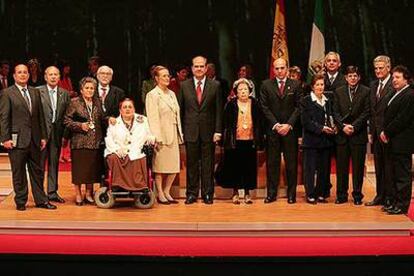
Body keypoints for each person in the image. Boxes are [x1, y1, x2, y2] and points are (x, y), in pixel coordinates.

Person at [0, 64, 56, 211]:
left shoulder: (35, 92)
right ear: (14, 76)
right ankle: (20, 201)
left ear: (29, 75)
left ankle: (41, 200)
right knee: (18, 173)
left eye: (25, 72)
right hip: (16, 140)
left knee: (37, 172)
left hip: (35, 139)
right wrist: (5, 138)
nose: (23, 74)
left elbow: (40, 116)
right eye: (20, 72)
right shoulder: (7, 93)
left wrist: (43, 136)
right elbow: (4, 117)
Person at [178, 56, 223, 204]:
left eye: (201, 66)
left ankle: (207, 193)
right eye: (196, 66)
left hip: (208, 132)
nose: (198, 69)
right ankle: (191, 194)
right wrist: (181, 132)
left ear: (206, 68)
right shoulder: (184, 86)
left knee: (208, 164)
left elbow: (218, 111)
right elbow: (181, 110)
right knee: (191, 165)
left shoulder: (215, 85)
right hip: (190, 131)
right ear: (192, 68)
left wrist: (218, 131)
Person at [260, 57, 302, 204]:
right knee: (272, 163)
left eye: (282, 68)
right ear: (273, 69)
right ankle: (271, 194)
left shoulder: (296, 85)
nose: (279, 71)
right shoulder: (266, 85)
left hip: (290, 131)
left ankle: (291, 195)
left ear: (287, 68)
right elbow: (264, 107)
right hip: (273, 131)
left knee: (291, 164)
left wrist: (288, 125)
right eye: (276, 68)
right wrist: (276, 125)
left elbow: (299, 107)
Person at [215, 78, 263, 204]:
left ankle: (247, 194)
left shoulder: (255, 103)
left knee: (249, 168)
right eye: (240, 89)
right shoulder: (231, 105)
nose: (243, 92)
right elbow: (225, 123)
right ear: (236, 92)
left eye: (245, 89)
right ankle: (235, 193)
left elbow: (259, 123)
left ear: (250, 91)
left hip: (250, 141)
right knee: (234, 167)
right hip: (234, 141)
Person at [64, 77, 105, 205]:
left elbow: (102, 119)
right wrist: (80, 126)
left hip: (95, 142)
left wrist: (111, 120)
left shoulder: (98, 102)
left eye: (92, 88)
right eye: (87, 88)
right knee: (79, 171)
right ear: (81, 90)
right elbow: (67, 121)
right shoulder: (74, 102)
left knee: (91, 171)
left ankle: (88, 193)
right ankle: (78, 194)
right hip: (79, 142)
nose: (89, 90)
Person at [146, 66, 184, 204]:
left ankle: (167, 191)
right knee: (160, 167)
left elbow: (177, 114)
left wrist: (180, 133)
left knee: (174, 166)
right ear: (156, 78)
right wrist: (156, 137)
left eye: (168, 75)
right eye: (164, 76)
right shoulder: (152, 95)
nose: (167, 78)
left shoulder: (172, 94)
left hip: (173, 132)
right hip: (161, 134)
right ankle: (160, 193)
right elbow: (152, 117)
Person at [333, 66, 370, 205]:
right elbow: (335, 111)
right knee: (341, 167)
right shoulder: (339, 91)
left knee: (358, 167)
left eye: (355, 75)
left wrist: (354, 126)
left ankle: (357, 195)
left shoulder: (366, 91)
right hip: (342, 135)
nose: (352, 78)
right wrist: (343, 126)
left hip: (358, 134)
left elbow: (366, 112)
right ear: (346, 78)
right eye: (350, 76)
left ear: (359, 77)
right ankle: (341, 195)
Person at [380, 65, 414, 215]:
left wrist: (386, 131)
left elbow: (403, 119)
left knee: (402, 175)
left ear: (406, 79)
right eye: (393, 77)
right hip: (393, 141)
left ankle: (402, 205)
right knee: (393, 173)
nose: (394, 80)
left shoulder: (410, 94)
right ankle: (395, 202)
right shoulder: (397, 93)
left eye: (397, 77)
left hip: (402, 141)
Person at [104, 98, 155, 192]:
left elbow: (149, 134)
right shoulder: (114, 122)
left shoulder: (143, 120)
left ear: (134, 109)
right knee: (113, 158)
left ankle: (139, 186)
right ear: (120, 110)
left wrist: (150, 139)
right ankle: (118, 185)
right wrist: (116, 149)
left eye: (130, 107)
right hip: (119, 151)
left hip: (136, 150)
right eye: (125, 107)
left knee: (138, 157)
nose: (127, 109)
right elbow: (109, 139)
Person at [301, 74, 336, 204]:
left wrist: (333, 127)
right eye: (317, 85)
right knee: (310, 170)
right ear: (312, 87)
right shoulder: (306, 101)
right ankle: (310, 194)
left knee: (324, 169)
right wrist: (321, 128)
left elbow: (330, 117)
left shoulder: (328, 101)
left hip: (325, 141)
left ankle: (321, 194)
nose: (320, 87)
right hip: (311, 141)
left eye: (322, 84)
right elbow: (306, 122)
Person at [38, 66, 71, 203]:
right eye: (50, 74)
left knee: (54, 164)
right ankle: (39, 193)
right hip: (41, 135)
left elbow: (67, 116)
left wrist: (65, 135)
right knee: (39, 165)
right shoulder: (37, 92)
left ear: (59, 77)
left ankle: (52, 192)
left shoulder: (65, 93)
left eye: (55, 74)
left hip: (57, 134)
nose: (53, 77)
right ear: (45, 77)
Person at [365, 55, 394, 207]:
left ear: (388, 68)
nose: (378, 71)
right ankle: (380, 196)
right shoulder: (373, 85)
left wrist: (386, 131)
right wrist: (371, 131)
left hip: (389, 133)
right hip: (376, 134)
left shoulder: (394, 84)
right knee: (379, 166)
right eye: (376, 68)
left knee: (389, 167)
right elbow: (372, 111)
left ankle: (390, 198)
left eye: (381, 68)